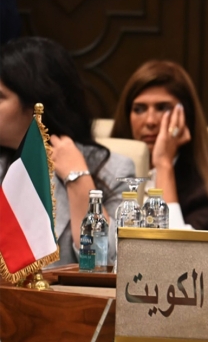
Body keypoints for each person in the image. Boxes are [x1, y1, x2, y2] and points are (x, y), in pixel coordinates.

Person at [0, 37, 134, 266]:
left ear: (36, 105)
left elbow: (111, 265)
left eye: (0, 97)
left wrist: (78, 179)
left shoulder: (112, 170)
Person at [111, 60, 208, 231]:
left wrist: (163, 164)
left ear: (185, 116)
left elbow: (175, 247)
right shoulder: (107, 173)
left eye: (162, 108)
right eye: (139, 109)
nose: (150, 121)